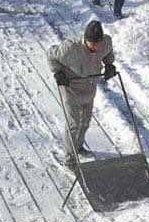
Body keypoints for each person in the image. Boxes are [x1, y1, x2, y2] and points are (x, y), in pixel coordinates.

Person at [47, 21, 117, 169]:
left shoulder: (105, 43)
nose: (96, 47)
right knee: (74, 124)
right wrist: (58, 72)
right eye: (93, 43)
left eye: (98, 43)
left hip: (89, 88)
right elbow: (51, 55)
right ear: (85, 39)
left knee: (85, 121)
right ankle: (70, 159)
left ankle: (78, 146)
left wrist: (109, 64)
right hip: (71, 89)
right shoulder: (70, 48)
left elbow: (108, 52)